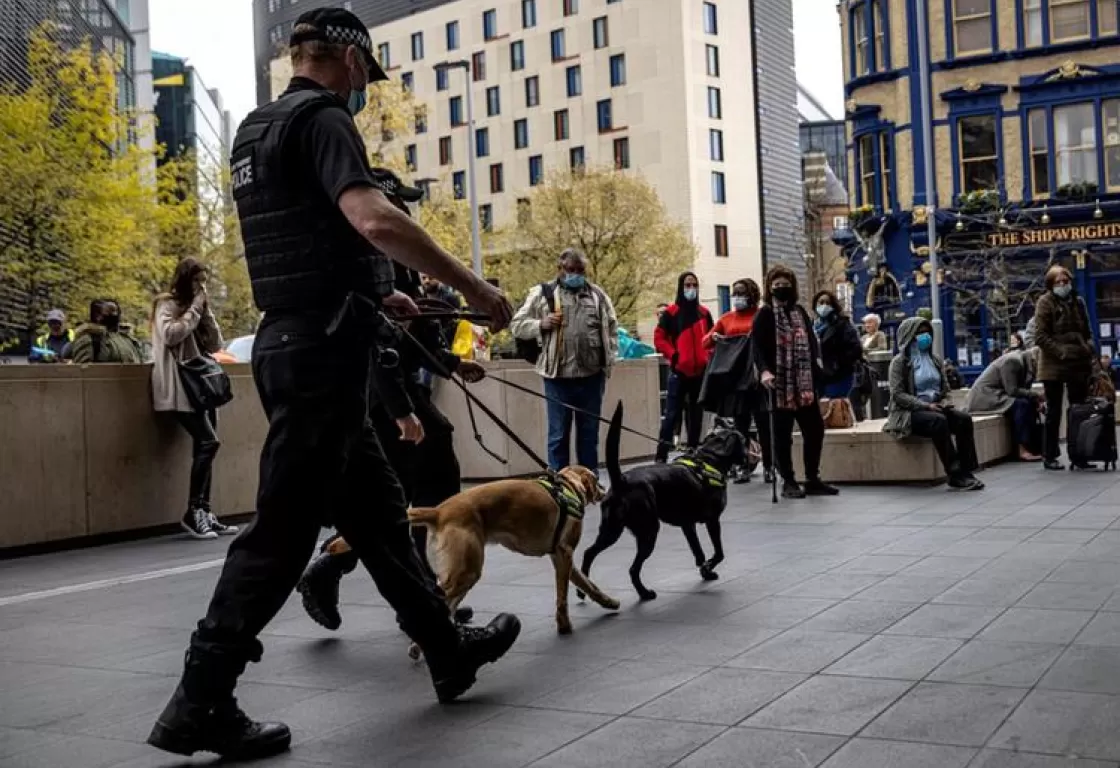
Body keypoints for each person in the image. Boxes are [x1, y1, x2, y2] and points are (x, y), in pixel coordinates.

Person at [147, 9, 520, 760]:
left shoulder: (258, 131)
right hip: (321, 355)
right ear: (349, 61)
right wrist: (474, 288)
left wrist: (378, 292)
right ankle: (200, 698)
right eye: (367, 76)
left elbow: (307, 238)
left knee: (379, 516)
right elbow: (370, 217)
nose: (365, 92)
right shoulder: (323, 121)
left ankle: (447, 650)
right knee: (281, 534)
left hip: (299, 337)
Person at [296, 170, 486, 631]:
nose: (406, 209)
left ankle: (402, 592)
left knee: (395, 501)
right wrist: (400, 409)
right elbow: (376, 340)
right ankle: (422, 599)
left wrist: (453, 364)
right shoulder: (368, 252)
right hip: (377, 394)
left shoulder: (397, 256)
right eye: (398, 200)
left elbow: (414, 332)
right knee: (416, 488)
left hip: (392, 389)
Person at [510, 248, 619, 471]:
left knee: (589, 437)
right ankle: (559, 485)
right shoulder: (543, 293)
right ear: (560, 269)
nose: (576, 274)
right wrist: (541, 324)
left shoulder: (598, 296)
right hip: (558, 378)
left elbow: (612, 329)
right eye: (571, 270)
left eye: (580, 270)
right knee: (558, 436)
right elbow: (516, 325)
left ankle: (590, 482)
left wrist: (610, 359)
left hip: (591, 378)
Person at [151, 258, 234, 540]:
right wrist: (194, 309)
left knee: (206, 445)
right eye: (197, 280)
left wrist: (205, 313)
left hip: (201, 385)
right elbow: (171, 335)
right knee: (209, 441)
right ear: (186, 280)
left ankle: (204, 509)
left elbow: (215, 344)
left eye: (204, 281)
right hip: (179, 385)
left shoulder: (198, 309)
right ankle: (193, 510)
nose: (201, 286)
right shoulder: (167, 304)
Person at [753, 266, 838, 499]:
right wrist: (764, 372)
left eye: (785, 284)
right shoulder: (765, 314)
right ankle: (788, 480)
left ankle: (812, 478)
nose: (782, 288)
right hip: (779, 383)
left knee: (815, 430)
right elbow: (757, 348)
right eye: (776, 284)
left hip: (804, 383)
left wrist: (818, 368)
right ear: (769, 288)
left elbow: (812, 342)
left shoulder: (800, 312)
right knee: (782, 434)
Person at [884, 317, 983, 490]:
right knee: (938, 421)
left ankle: (967, 470)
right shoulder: (899, 363)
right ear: (909, 336)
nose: (925, 337)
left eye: (927, 332)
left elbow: (945, 390)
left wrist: (945, 402)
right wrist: (925, 406)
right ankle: (955, 474)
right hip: (908, 412)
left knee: (963, 419)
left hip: (935, 407)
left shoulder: (935, 360)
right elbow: (898, 395)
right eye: (920, 333)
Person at [704, 278, 770, 482]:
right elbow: (705, 341)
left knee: (763, 423)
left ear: (752, 295)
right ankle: (742, 464)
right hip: (735, 379)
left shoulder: (761, 316)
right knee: (740, 425)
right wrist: (715, 338)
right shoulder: (726, 319)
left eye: (742, 293)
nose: (737, 297)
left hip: (757, 377)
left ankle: (769, 464)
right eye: (735, 293)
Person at [1034, 265, 1095, 470]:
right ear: (1051, 284)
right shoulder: (1045, 302)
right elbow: (1040, 337)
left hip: (1078, 363)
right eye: (1058, 282)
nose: (1062, 285)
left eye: (1065, 281)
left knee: (1078, 410)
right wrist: (1062, 352)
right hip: (1053, 365)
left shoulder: (1078, 302)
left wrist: (1088, 347)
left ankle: (1079, 454)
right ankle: (1049, 455)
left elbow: (1087, 330)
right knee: (1054, 411)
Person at [654, 272, 714, 462]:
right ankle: (661, 455)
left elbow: (712, 339)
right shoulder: (671, 313)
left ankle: (694, 451)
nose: (691, 289)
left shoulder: (704, 313)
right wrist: (673, 355)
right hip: (679, 372)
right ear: (681, 287)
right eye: (687, 285)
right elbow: (659, 338)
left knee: (695, 416)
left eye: (694, 285)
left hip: (699, 373)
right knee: (671, 415)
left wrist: (708, 358)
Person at [964, 347, 1043, 461]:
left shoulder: (1026, 364)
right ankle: (1022, 450)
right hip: (986, 397)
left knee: (1027, 404)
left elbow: (1023, 391)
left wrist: (1035, 400)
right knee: (1021, 405)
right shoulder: (1013, 361)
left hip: (998, 394)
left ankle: (1032, 446)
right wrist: (1036, 395)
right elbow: (1012, 390)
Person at [813, 290, 863, 404]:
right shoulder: (813, 326)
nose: (824, 305)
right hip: (820, 377)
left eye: (827, 302)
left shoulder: (842, 324)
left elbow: (856, 349)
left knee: (836, 410)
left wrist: (837, 363)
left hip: (839, 376)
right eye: (820, 303)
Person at [67, 300, 144, 364]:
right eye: (109, 312)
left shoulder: (127, 338)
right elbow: (82, 373)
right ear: (97, 316)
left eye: (116, 311)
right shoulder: (89, 339)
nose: (114, 315)